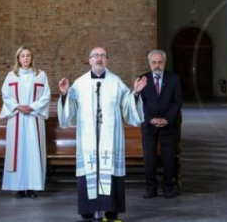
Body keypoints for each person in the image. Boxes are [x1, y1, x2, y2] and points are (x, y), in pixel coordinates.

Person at [58, 46, 146, 222]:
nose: (99, 59)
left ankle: (111, 213)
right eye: (95, 56)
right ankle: (88, 211)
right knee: (89, 170)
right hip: (88, 139)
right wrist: (65, 94)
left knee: (110, 169)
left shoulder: (115, 82)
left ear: (107, 60)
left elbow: (127, 106)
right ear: (89, 60)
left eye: (102, 56)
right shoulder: (80, 83)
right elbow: (70, 113)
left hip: (110, 139)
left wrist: (135, 93)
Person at [0, 45, 51, 198]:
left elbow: (46, 95)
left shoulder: (40, 75)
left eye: (28, 55)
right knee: (19, 151)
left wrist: (32, 107)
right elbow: (5, 95)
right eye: (23, 56)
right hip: (17, 118)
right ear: (18, 58)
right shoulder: (11, 76)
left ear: (31, 58)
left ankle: (33, 187)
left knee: (33, 152)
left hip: (34, 118)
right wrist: (17, 106)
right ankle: (19, 186)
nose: (26, 58)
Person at [139, 49, 182, 199]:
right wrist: (150, 118)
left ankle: (168, 187)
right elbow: (140, 102)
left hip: (168, 125)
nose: (157, 65)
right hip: (149, 125)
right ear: (149, 63)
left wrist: (167, 119)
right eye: (154, 62)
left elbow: (177, 101)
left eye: (160, 62)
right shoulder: (143, 79)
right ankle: (150, 188)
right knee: (149, 158)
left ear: (165, 63)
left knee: (169, 158)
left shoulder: (173, 78)